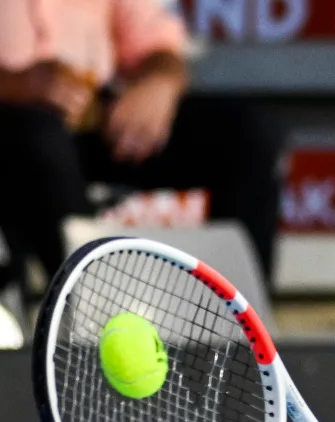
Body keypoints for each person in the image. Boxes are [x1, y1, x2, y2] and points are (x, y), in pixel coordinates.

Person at [0, 0, 286, 294]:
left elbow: (156, 42)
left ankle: (237, 315)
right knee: (40, 137)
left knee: (249, 133)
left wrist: (157, 83)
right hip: (15, 128)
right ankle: (93, 304)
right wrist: (14, 83)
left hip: (94, 118)